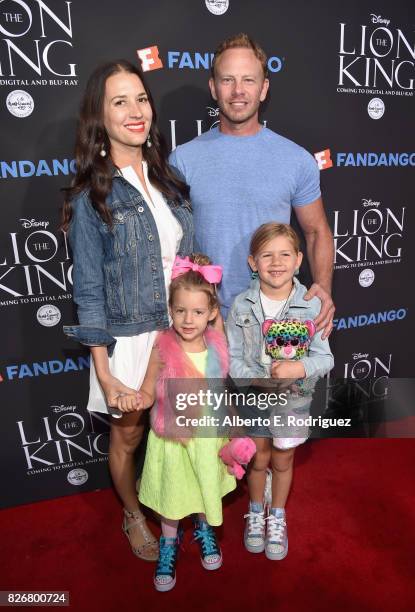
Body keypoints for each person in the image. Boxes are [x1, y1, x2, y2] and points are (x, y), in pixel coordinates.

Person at [62, 59, 193, 562]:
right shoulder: (92, 194)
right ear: (100, 116)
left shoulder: (170, 177)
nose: (136, 111)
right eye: (120, 102)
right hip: (129, 338)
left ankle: (179, 508)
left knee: (182, 431)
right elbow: (89, 290)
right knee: (129, 436)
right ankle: (133, 513)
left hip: (180, 331)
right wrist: (105, 373)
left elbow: (192, 263)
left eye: (141, 98)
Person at [169, 33, 335, 337]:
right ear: (213, 88)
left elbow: (316, 231)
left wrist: (323, 287)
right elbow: (168, 243)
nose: (237, 91)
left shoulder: (296, 160)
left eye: (248, 80)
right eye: (227, 80)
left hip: (277, 321)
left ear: (264, 89)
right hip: (203, 324)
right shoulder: (183, 160)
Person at [226, 223, 334, 560]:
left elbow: (325, 357)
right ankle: (256, 511)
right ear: (252, 262)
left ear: (299, 259)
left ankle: (277, 515)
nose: (276, 262)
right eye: (266, 255)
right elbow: (232, 360)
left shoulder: (311, 306)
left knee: (283, 461)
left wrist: (297, 368)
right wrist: (256, 380)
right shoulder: (241, 306)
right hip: (254, 400)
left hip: (293, 403)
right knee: (258, 460)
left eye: (285, 254)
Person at [135, 253, 236, 591]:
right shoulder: (162, 347)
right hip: (173, 440)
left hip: (208, 439)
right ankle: (168, 544)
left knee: (205, 488)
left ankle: (204, 529)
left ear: (211, 313)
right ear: (171, 311)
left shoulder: (217, 344)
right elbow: (148, 389)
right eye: (180, 310)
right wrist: (135, 398)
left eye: (197, 311)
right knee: (173, 497)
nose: (188, 319)